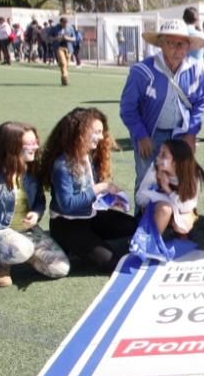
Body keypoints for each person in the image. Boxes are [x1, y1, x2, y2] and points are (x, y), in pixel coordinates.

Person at [0, 122, 69, 287]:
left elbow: (39, 200)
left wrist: (36, 214)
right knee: (21, 248)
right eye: (29, 144)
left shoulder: (31, 170)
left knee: (60, 269)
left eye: (36, 142)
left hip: (27, 231)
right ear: (11, 147)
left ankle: (22, 252)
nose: (36, 147)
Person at [40, 107, 138, 272]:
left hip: (91, 217)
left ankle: (90, 242)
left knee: (135, 226)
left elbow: (92, 194)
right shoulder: (62, 165)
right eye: (96, 132)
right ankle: (74, 245)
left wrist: (111, 199)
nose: (101, 137)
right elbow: (68, 205)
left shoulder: (89, 155)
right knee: (114, 263)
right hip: (68, 226)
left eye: (101, 132)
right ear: (79, 132)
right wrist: (100, 188)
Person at [119, 19, 204, 194]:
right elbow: (127, 108)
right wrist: (141, 135)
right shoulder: (142, 71)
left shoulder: (196, 70)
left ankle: (174, 220)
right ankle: (143, 220)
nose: (177, 48)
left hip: (181, 134)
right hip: (150, 135)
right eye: (171, 43)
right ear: (161, 44)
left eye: (181, 44)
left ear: (189, 46)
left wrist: (191, 133)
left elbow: (200, 102)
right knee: (147, 181)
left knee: (179, 179)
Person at [135, 139, 204, 238]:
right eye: (159, 153)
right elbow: (139, 198)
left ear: (177, 161)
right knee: (165, 209)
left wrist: (167, 189)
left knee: (181, 224)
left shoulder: (193, 174)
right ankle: (151, 244)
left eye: (163, 155)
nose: (158, 158)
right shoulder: (155, 169)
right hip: (157, 209)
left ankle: (179, 232)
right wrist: (155, 198)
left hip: (182, 211)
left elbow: (187, 207)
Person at [50, 17, 77, 86]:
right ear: (60, 22)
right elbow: (49, 37)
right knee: (63, 63)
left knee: (66, 65)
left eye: (66, 23)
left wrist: (67, 38)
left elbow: (74, 38)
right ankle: (65, 76)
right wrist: (57, 38)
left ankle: (64, 79)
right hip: (59, 47)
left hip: (68, 48)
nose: (65, 25)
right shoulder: (55, 28)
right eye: (63, 23)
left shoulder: (70, 28)